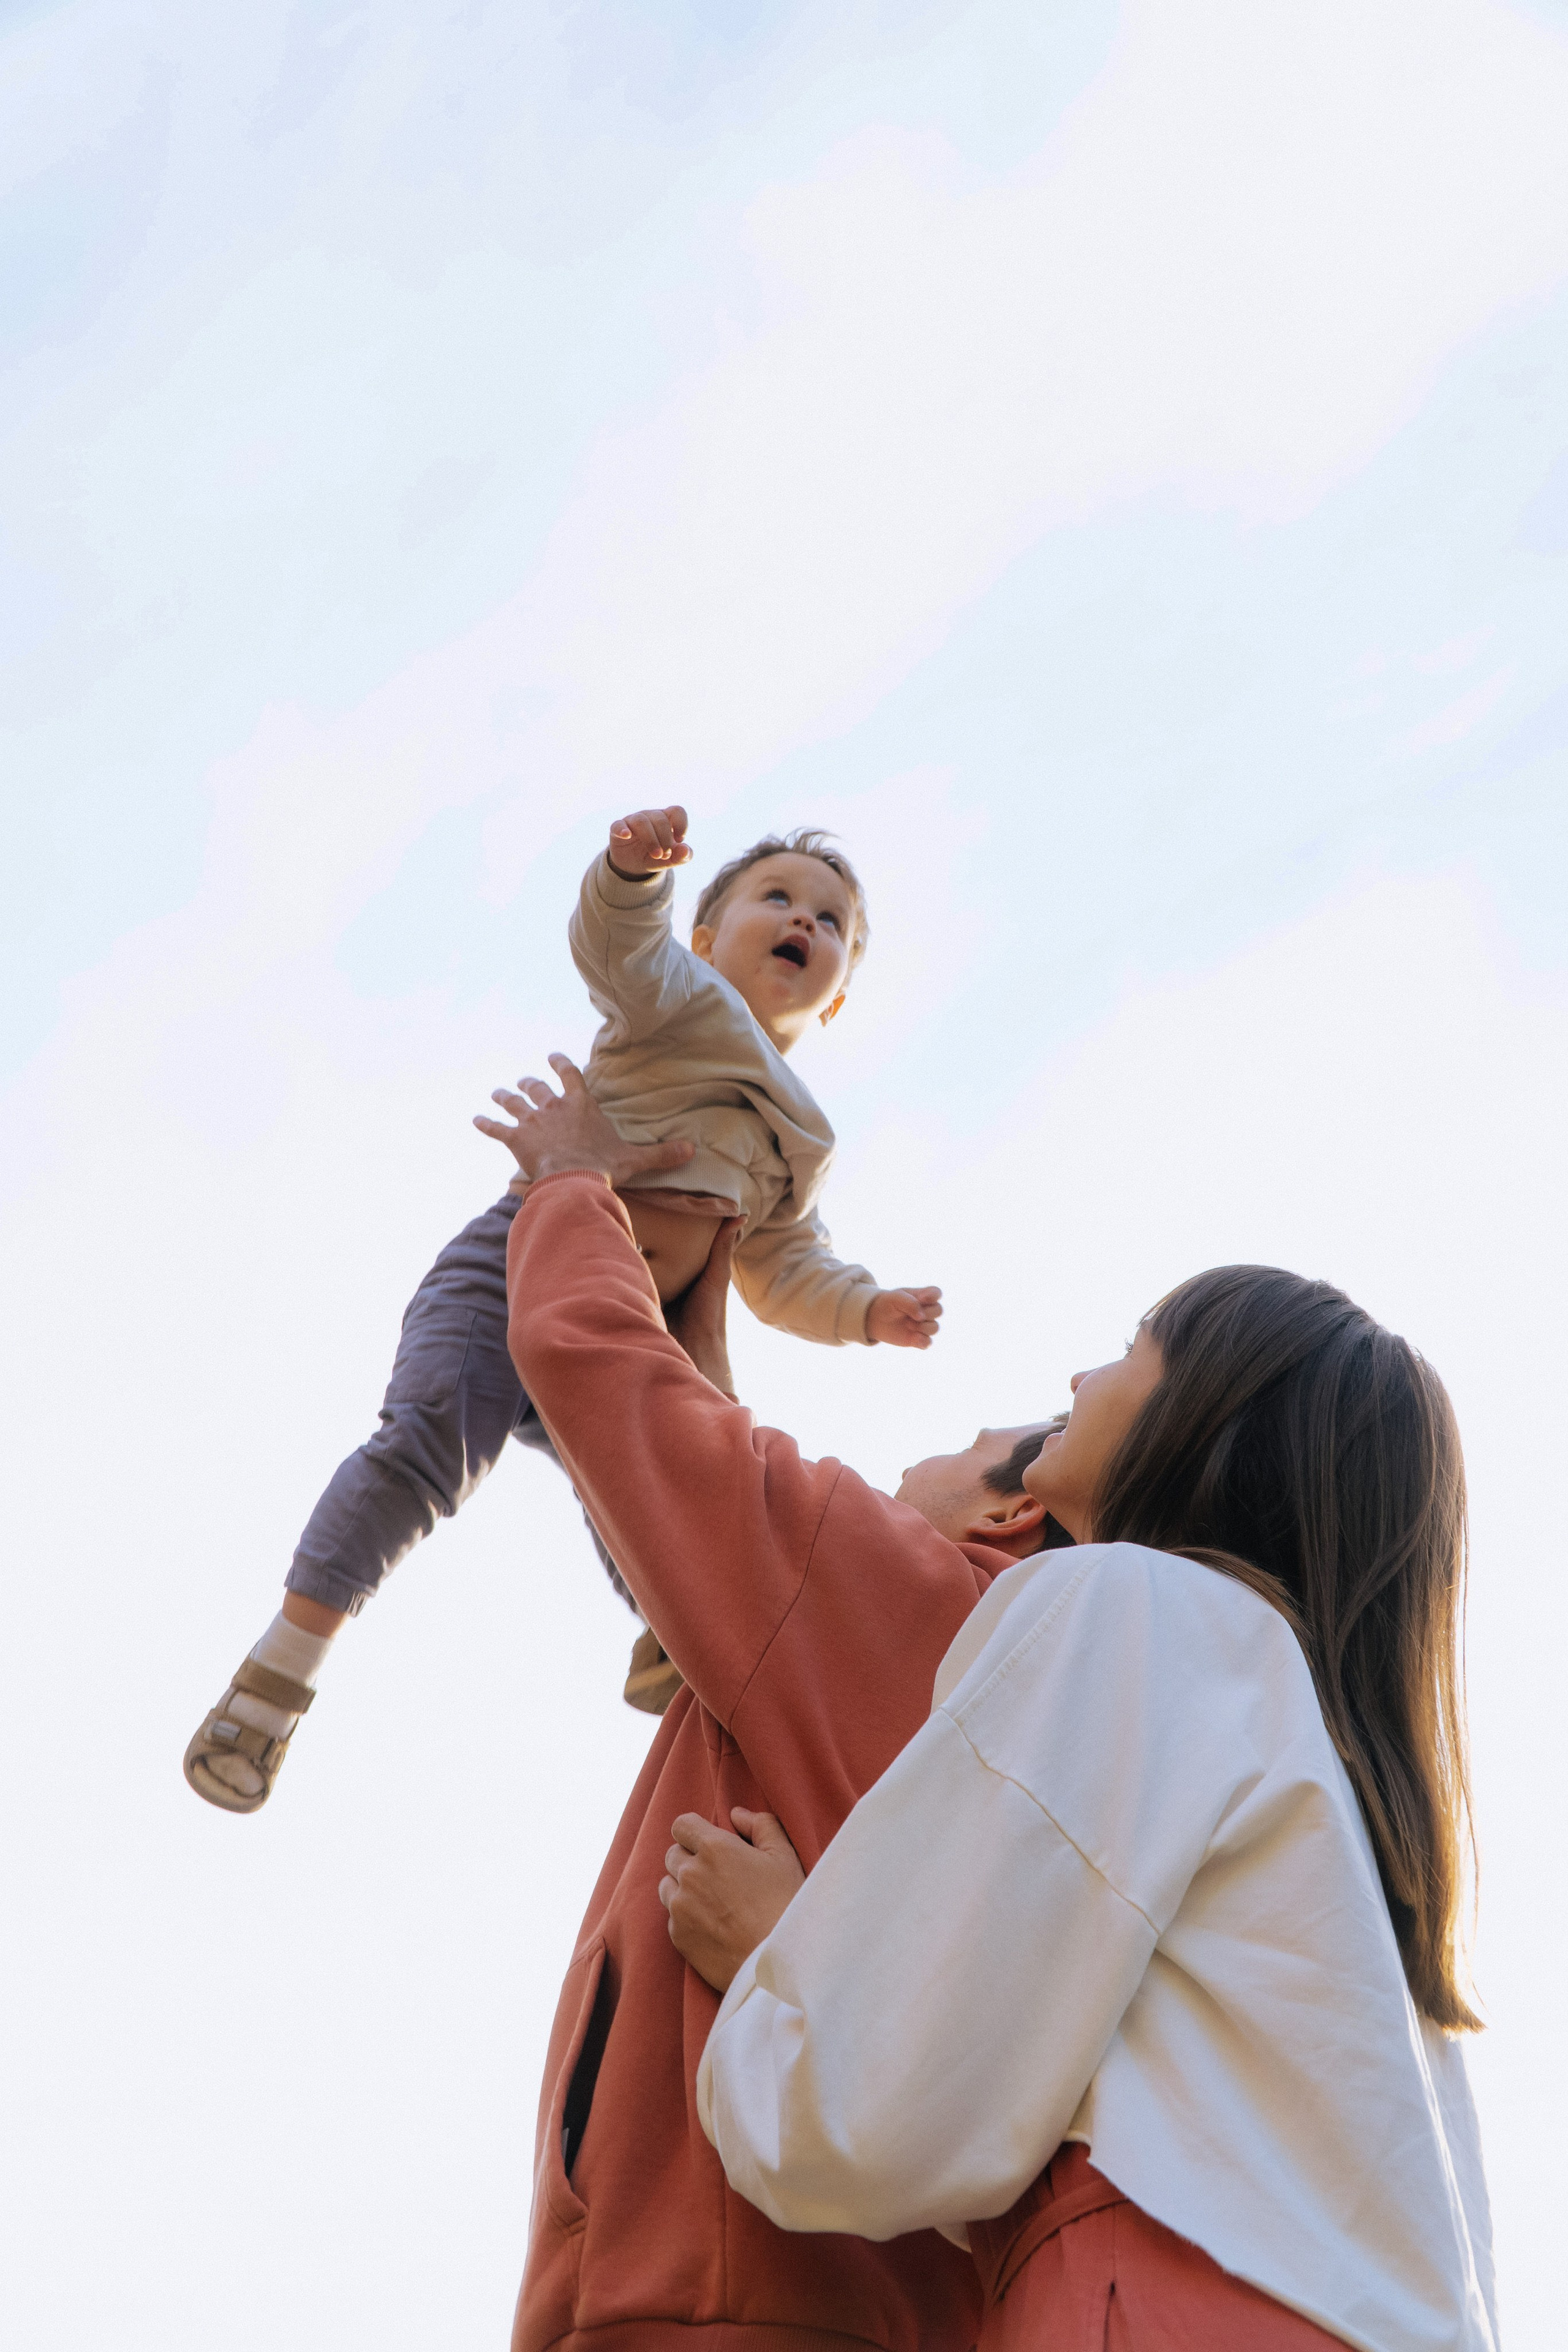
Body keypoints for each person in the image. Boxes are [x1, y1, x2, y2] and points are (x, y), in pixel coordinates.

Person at [682, 1267, 1498, 2351]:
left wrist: (783, 1967)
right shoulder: (1344, 1808)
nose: (1080, 1375)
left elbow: (870, 2116)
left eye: (1132, 1344)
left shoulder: (1130, 1607)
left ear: (1211, 1413)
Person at [464, 1062, 1069, 2352]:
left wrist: (570, 1183)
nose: (924, 1453)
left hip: (705, 2296)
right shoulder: (1041, 1700)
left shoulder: (919, 1601)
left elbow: (604, 1374)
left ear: (1009, 1513)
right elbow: (717, 1482)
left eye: (966, 1442)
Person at [184, 806, 943, 1813]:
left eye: (832, 919)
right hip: (518, 1270)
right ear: (707, 943)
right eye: (778, 897)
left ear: (839, 999)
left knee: (678, 1491)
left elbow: (786, 1262)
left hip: (629, 1331)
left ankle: (679, 1646)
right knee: (428, 1448)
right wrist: (632, 879)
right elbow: (622, 952)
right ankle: (279, 1674)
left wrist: (868, 1309)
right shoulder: (679, 1003)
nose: (806, 919)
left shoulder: (799, 1137)